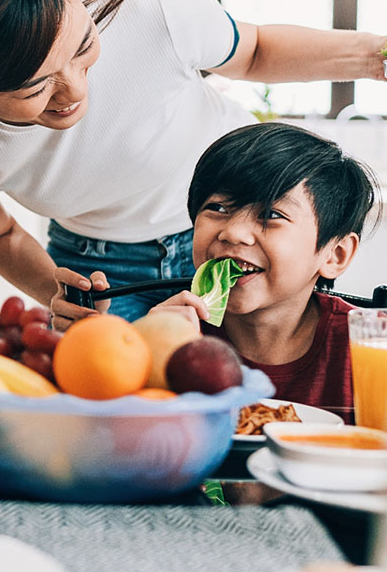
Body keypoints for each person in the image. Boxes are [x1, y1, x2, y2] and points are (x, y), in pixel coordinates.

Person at [0, 0, 387, 327]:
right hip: (102, 269)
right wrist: (57, 292)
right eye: (36, 86)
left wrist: (374, 57)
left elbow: (254, 52)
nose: (75, 91)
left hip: (246, 225)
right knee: (126, 415)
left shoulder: (152, 9)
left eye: (84, 48)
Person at [151, 123, 376, 412]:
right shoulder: (175, 335)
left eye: (271, 214)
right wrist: (152, 358)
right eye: (217, 208)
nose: (233, 233)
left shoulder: (367, 347)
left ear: (335, 255)